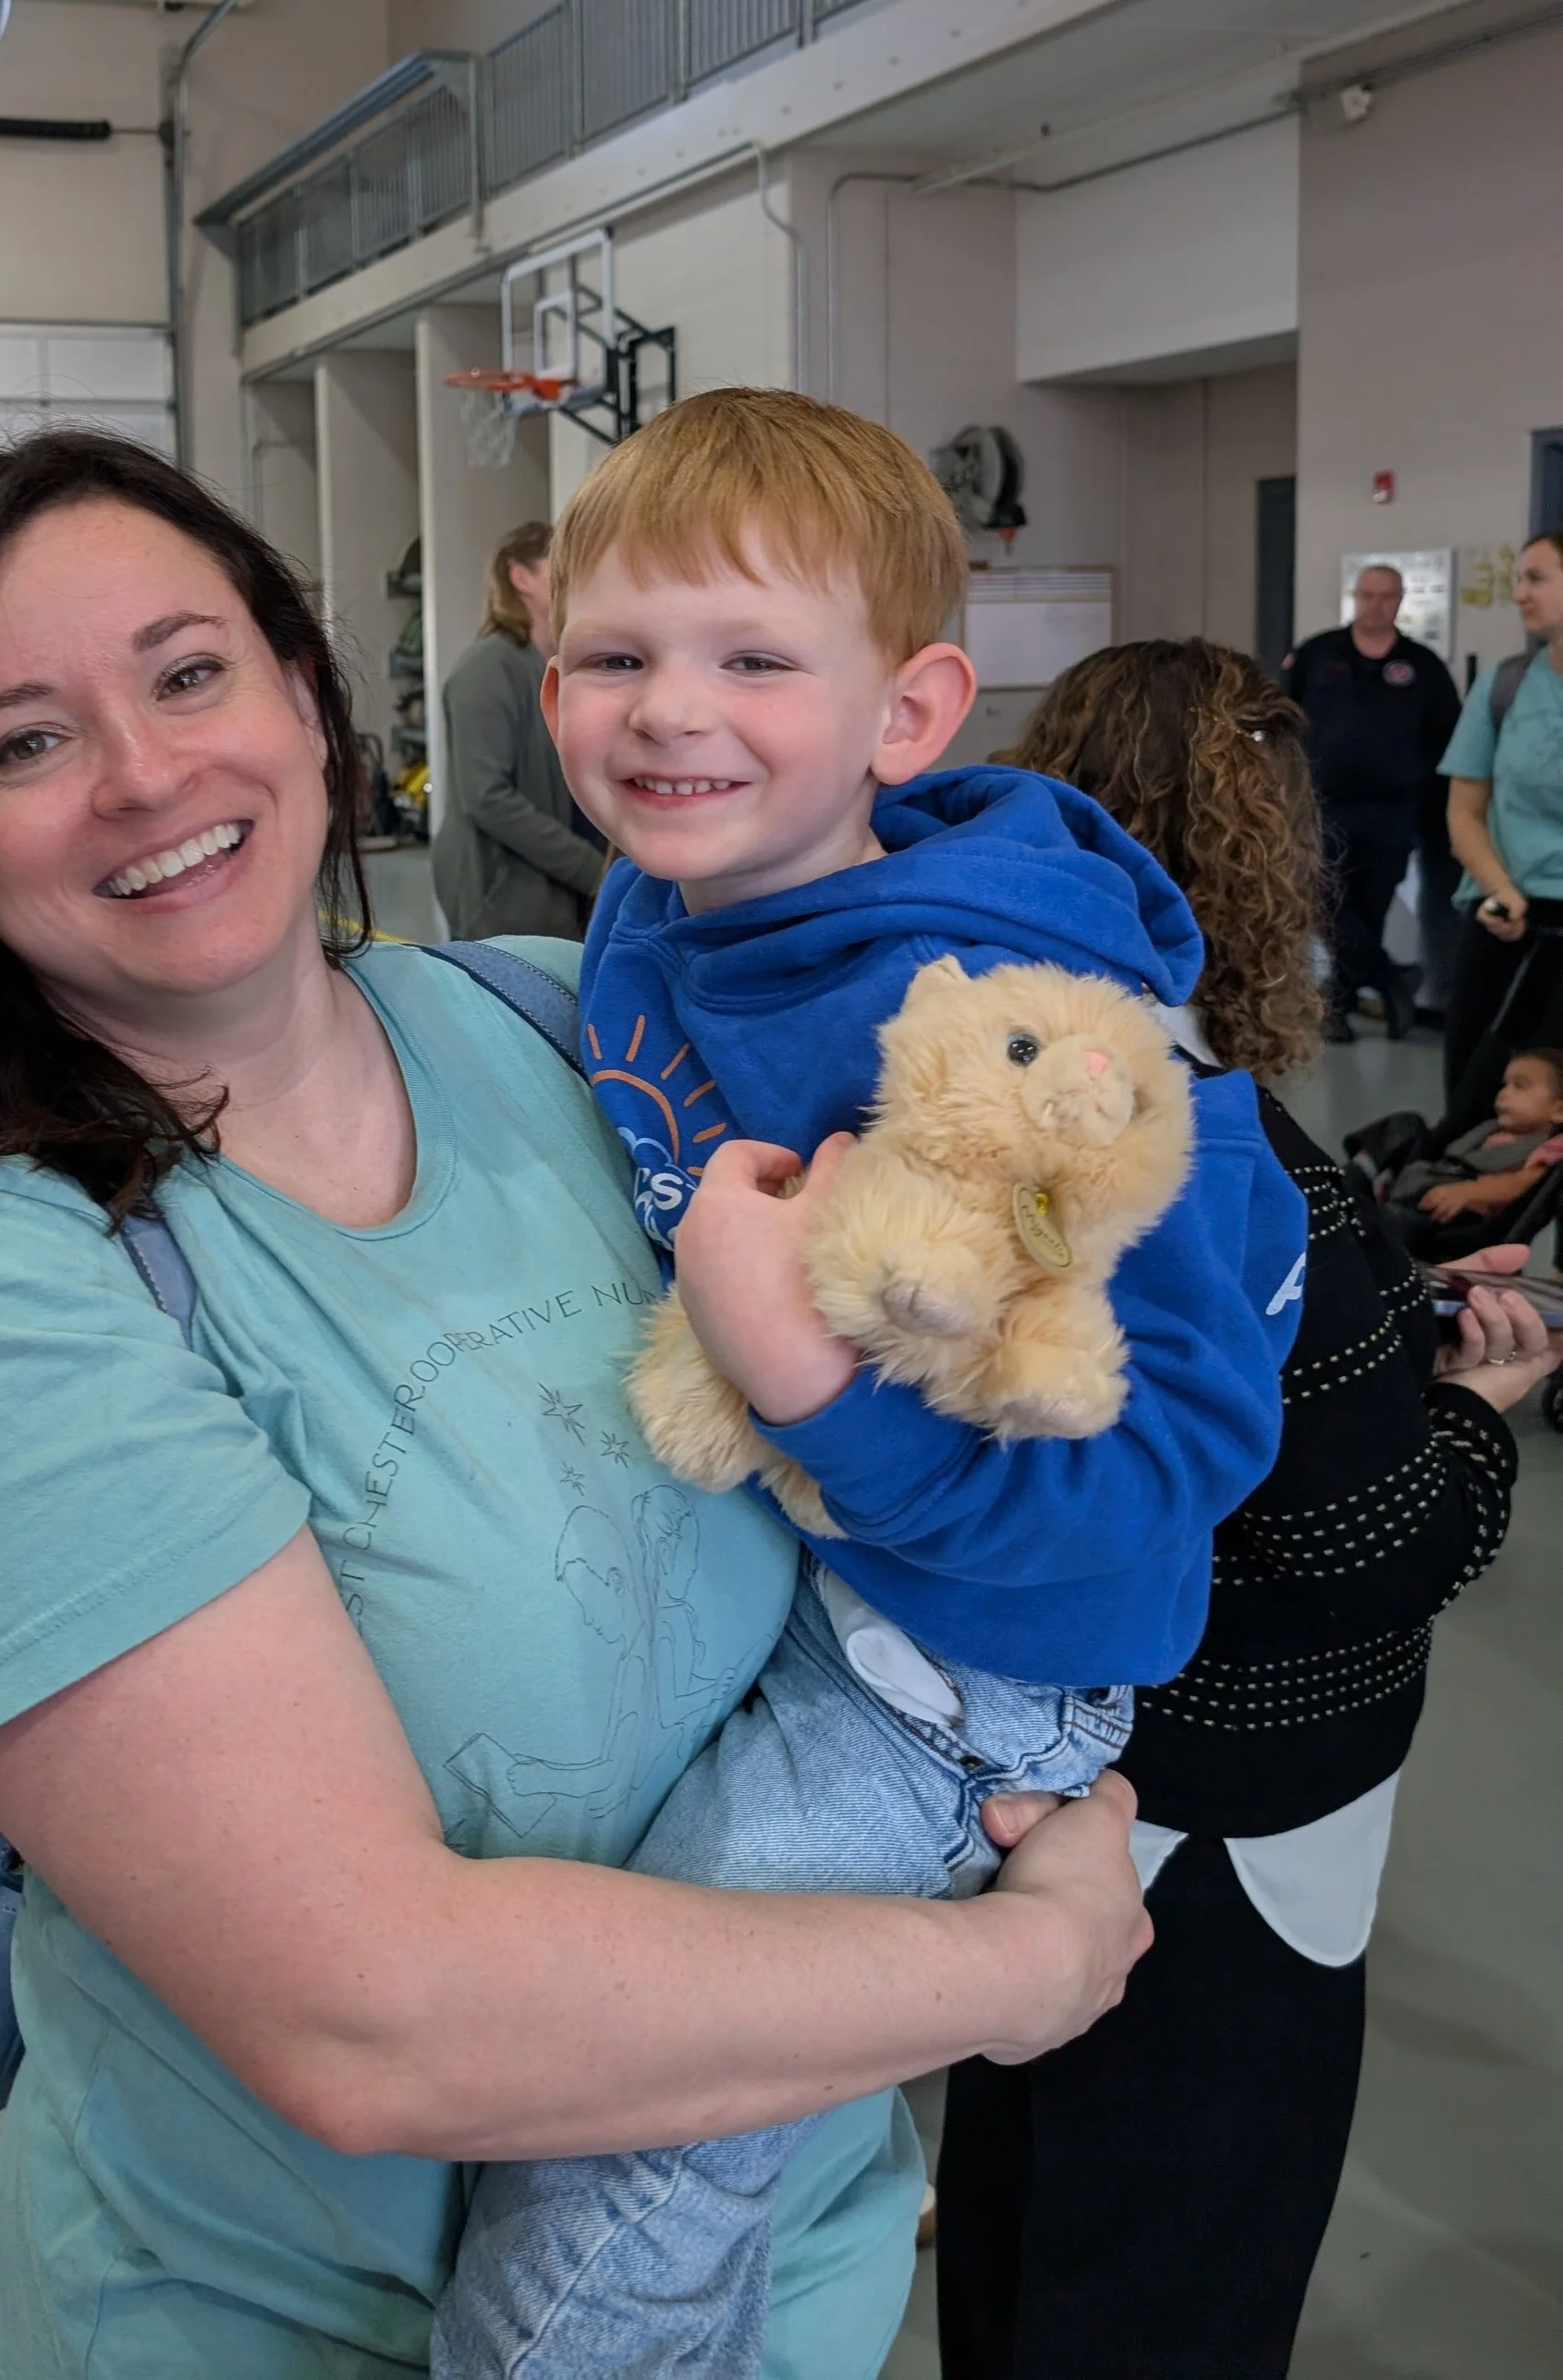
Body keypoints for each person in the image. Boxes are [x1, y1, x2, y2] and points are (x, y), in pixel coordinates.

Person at [0, 431, 1150, 2380]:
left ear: (304, 706)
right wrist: (1020, 1964)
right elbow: (367, 2013)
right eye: (21, 743)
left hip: (792, 2280)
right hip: (306, 2324)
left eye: (188, 673)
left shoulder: (561, 1024)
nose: (151, 773)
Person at [432, 392, 1299, 2380]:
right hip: (798, 1575)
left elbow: (1177, 1448)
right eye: (614, 657)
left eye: (750, 660)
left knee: (640, 2130)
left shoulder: (1024, 1021)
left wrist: (807, 1383)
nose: (667, 714)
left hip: (965, 1661)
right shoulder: (657, 904)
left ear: (905, 718)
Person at [933, 637, 1556, 2380]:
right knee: (1169, 2287)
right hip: (1226, 1824)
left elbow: (1227, 1363)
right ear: (1262, 842)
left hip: (1051, 1771)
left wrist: (1383, 1271)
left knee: (1023, 2220)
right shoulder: (1224, 1149)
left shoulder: (1018, 1081)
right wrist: (1479, 1408)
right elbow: (1373, 1550)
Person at [1284, 563, 1459, 1043]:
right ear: (1354, 597)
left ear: (1400, 602)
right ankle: (1388, 978)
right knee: (1322, 902)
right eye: (1368, 595)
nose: (1375, 605)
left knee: (1370, 907)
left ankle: (1339, 1006)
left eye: (1386, 597)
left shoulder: (1422, 666)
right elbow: (1284, 718)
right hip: (1323, 805)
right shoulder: (1318, 654)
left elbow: (1449, 738)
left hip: (1392, 811)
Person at [433, 518, 607, 939]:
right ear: (520, 577)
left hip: (550, 888)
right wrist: (590, 868)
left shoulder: (547, 665)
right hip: (501, 892)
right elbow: (486, 796)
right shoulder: (489, 667)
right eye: (558, 564)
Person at [1441, 529, 1563, 1120]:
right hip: (1502, 918)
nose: (1519, 593)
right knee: (1476, 1097)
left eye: (1537, 578)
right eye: (1519, 578)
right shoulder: (1506, 686)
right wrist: (1501, 890)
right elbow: (1463, 811)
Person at [1382, 1046, 1563, 1256]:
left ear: (1558, 1111)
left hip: (1465, 1212)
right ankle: (1363, 1172)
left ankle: (1380, 1243)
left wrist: (1469, 1192)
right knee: (1407, 1124)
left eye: (1519, 1086)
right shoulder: (1492, 1128)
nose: (1504, 1093)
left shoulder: (1549, 1147)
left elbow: (1522, 1184)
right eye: (1505, 1085)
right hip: (1434, 1178)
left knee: (1402, 1216)